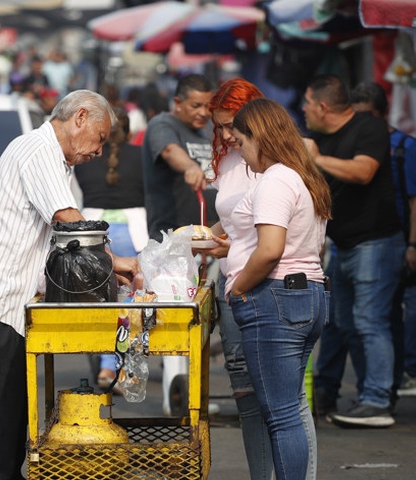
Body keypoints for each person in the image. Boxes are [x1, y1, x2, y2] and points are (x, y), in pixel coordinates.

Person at [0, 90, 141, 480]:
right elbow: (70, 224)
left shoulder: (56, 161)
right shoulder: (38, 149)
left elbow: (63, 240)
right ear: (80, 117)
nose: (99, 151)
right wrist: (117, 261)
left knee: (8, 437)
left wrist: (107, 270)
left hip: (9, 311)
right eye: (99, 138)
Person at [200, 78, 317, 480]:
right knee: (251, 395)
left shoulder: (279, 172)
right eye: (220, 127)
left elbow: (271, 247)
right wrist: (213, 242)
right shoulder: (240, 162)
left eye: (234, 126)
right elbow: (242, 225)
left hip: (267, 288)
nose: (228, 135)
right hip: (249, 283)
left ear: (258, 123)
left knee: (284, 405)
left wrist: (240, 286)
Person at [226, 97, 330, 480]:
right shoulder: (302, 176)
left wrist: (238, 287)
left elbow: (271, 249)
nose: (240, 152)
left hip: (276, 299)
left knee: (281, 415)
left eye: (239, 142)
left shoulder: (275, 180)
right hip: (306, 295)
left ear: (259, 137)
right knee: (290, 408)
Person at [303, 75, 404, 428]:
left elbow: (364, 171)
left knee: (370, 321)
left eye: (306, 103)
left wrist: (318, 159)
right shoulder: (320, 138)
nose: (303, 110)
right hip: (343, 246)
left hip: (375, 242)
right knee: (345, 322)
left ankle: (377, 400)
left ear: (322, 106)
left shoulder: (369, 128)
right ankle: (370, 393)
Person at [349, 82, 416, 400]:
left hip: (396, 241)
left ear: (382, 113)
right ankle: (384, 384)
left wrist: (415, 245)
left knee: (388, 315)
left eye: (367, 116)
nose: (362, 123)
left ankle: (393, 383)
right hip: (366, 241)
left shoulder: (405, 147)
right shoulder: (354, 145)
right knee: (374, 318)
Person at [73, 105, 148, 391]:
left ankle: (106, 366)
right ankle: (128, 369)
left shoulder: (87, 156)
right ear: (129, 132)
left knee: (103, 302)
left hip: (94, 231)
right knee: (131, 304)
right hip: (134, 231)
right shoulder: (141, 157)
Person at [142, 74, 217, 241]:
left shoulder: (209, 128)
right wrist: (190, 167)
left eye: (208, 106)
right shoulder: (162, 124)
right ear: (177, 103)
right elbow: (170, 150)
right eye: (196, 106)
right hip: (172, 235)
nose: (203, 113)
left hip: (211, 233)